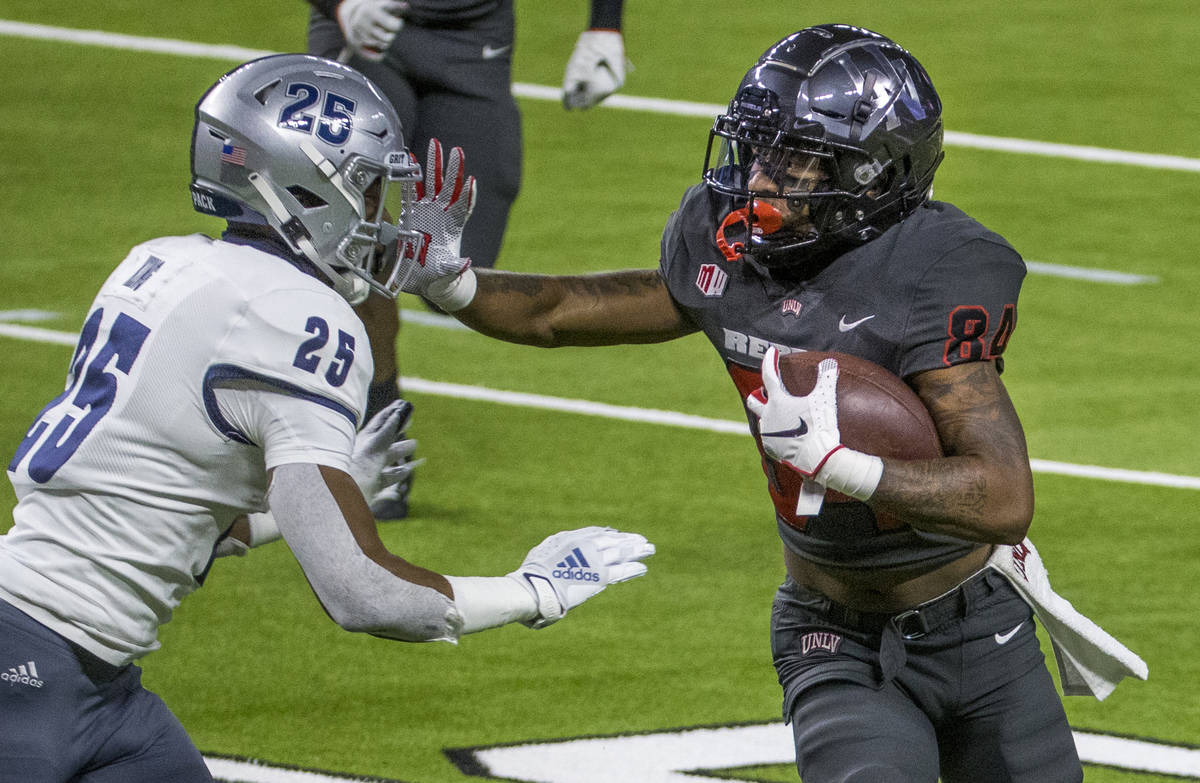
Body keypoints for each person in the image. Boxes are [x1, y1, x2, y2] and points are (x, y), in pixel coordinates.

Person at [392, 24, 1151, 782]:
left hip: (979, 623)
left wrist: (844, 465)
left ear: (875, 174)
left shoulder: (935, 271)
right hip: (834, 634)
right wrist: (456, 284)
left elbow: (1005, 494)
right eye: (759, 149)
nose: (759, 177)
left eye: (796, 158)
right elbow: (564, 310)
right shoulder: (730, 247)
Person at [0, 54, 653, 783]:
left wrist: (315, 503)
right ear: (309, 186)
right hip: (31, 674)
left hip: (81, 674)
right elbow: (365, 595)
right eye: (372, 188)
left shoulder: (158, 264)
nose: (385, 215)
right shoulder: (295, 316)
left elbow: (168, 518)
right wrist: (535, 590)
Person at [303, 0, 630, 520]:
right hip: (369, 26)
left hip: (472, 35)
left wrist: (604, 25)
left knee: (446, 272)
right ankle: (376, 425)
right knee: (348, 229)